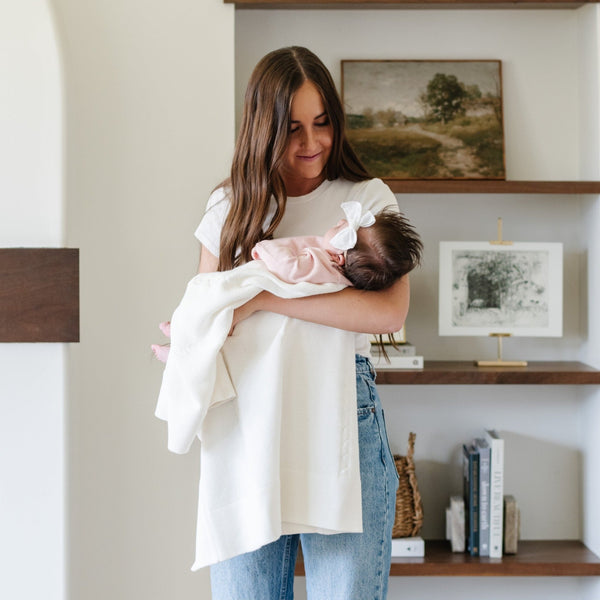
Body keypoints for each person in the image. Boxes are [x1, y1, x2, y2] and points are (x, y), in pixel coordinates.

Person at [162, 46, 414, 600]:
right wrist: (187, 341)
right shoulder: (230, 206)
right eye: (293, 128)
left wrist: (266, 299)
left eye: (322, 123)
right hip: (246, 419)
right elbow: (206, 306)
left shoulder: (364, 200)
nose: (312, 143)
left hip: (342, 409)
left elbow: (388, 312)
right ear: (264, 129)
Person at [151, 202, 422, 363]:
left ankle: (180, 348)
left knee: (217, 306)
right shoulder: (334, 263)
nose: (339, 222)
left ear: (340, 257)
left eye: (342, 228)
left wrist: (263, 251)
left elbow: (289, 266)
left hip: (258, 281)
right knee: (210, 300)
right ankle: (182, 335)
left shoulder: (320, 264)